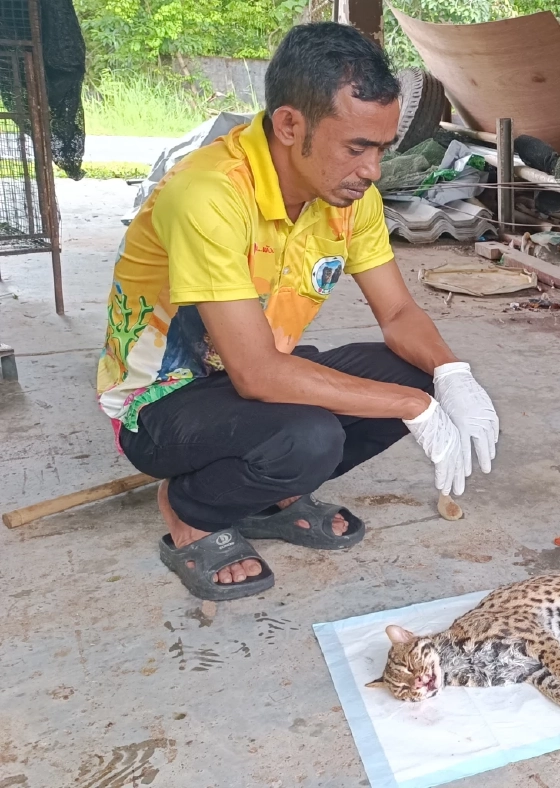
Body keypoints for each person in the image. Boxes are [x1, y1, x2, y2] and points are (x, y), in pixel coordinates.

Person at [95, 23, 499, 602]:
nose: (373, 170)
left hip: (254, 381)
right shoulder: (207, 194)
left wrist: (452, 378)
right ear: (289, 125)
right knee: (309, 437)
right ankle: (192, 508)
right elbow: (257, 375)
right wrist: (419, 409)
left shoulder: (350, 199)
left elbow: (399, 314)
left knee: (415, 370)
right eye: (356, 147)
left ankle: (267, 493)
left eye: (381, 148)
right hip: (162, 403)